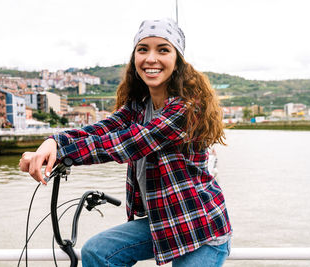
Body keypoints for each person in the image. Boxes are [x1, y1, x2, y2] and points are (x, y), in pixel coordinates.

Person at [19, 18, 232, 267]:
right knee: (97, 252)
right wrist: (52, 143)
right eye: (143, 50)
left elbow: (125, 144)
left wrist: (62, 150)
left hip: (200, 227)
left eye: (163, 49)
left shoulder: (186, 109)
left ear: (178, 61)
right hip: (164, 222)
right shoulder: (139, 107)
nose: (151, 58)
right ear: (135, 59)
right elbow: (102, 130)